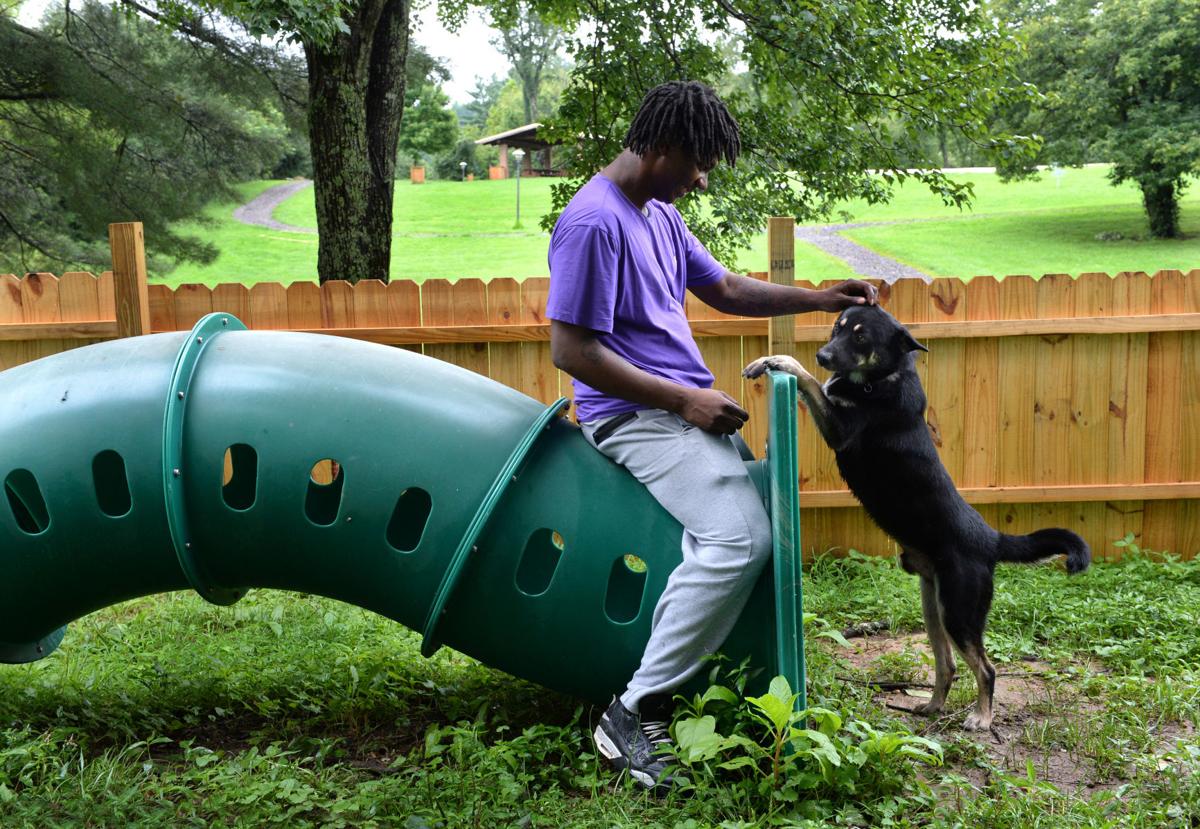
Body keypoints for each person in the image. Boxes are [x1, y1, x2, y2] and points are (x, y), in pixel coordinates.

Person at [546, 80, 877, 793]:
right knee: (739, 539)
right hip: (631, 417)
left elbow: (724, 287)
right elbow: (572, 351)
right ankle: (632, 710)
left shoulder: (657, 214)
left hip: (674, 409)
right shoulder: (592, 222)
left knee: (739, 533)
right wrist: (686, 401)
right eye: (697, 161)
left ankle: (717, 680)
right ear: (659, 145)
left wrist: (822, 296)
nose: (702, 178)